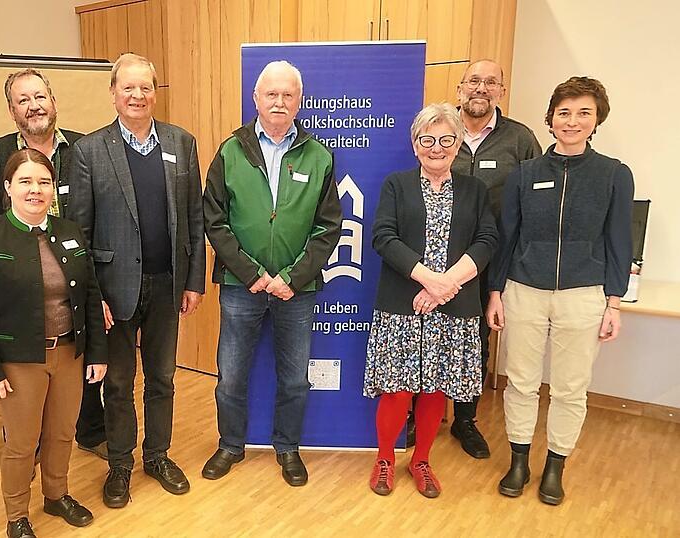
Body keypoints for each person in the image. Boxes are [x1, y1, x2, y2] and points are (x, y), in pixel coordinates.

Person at [66, 53, 206, 508]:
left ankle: (158, 456)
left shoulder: (180, 143)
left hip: (168, 284)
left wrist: (194, 280)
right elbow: (78, 233)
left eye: (145, 87)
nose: (137, 95)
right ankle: (120, 465)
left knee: (163, 377)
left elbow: (194, 218)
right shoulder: (88, 151)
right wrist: (92, 299)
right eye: (128, 87)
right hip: (114, 290)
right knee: (119, 384)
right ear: (113, 93)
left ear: (154, 91)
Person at [487, 76, 633, 506]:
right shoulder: (524, 174)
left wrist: (614, 301)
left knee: (570, 387)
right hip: (524, 289)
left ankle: (555, 465)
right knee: (521, 383)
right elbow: (507, 234)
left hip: (583, 294)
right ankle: (518, 460)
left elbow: (619, 240)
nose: (572, 121)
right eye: (564, 112)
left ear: (596, 120)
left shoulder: (614, 174)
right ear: (551, 119)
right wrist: (495, 291)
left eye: (583, 112)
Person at [201, 60, 342, 487]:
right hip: (241, 287)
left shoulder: (319, 156)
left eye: (288, 95)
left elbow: (328, 227)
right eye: (271, 94)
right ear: (256, 99)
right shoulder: (230, 151)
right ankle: (229, 445)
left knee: (295, 376)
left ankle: (288, 447)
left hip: (296, 290)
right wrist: (253, 274)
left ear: (299, 102)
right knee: (231, 374)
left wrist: (291, 278)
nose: (279, 102)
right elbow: (214, 220)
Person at [0, 149, 108, 538]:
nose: (35, 190)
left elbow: (90, 295)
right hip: (18, 360)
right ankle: (16, 516)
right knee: (22, 442)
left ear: (52, 189)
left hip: (69, 353)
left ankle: (56, 495)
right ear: (8, 187)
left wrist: (97, 354)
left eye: (43, 182)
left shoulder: (71, 232)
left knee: (62, 433)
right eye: (25, 181)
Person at [365, 103, 497, 498]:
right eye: (427, 139)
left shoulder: (475, 190)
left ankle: (421, 460)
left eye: (446, 140)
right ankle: (385, 459)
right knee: (397, 389)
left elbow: (487, 240)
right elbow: (383, 237)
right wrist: (428, 280)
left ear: (458, 145)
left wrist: (447, 285)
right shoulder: (396, 185)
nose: (436, 148)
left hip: (454, 309)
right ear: (415, 144)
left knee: (437, 389)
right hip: (402, 305)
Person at [0, 69, 106, 460]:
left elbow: (99, 218)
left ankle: (84, 434)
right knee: (25, 385)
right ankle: (25, 448)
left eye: (40, 96)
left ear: (53, 101)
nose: (34, 106)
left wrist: (96, 294)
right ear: (11, 110)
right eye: (23, 100)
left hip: (73, 276)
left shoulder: (85, 148)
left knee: (74, 366)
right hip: (19, 284)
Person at [449, 59, 543, 459]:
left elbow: (535, 203)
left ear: (501, 91)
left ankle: (465, 420)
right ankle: (418, 412)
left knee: (476, 341)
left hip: (490, 260)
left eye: (491, 82)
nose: (481, 88)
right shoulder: (440, 127)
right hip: (435, 256)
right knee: (424, 334)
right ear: (460, 88)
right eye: (474, 81)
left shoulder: (520, 140)